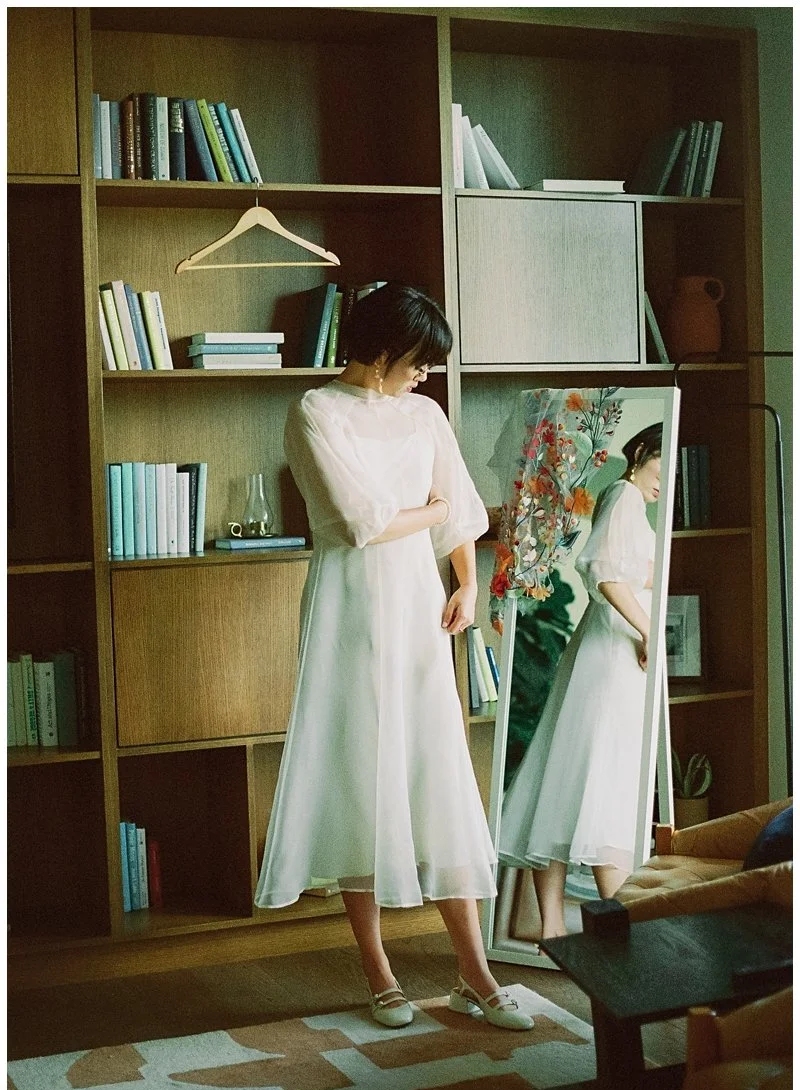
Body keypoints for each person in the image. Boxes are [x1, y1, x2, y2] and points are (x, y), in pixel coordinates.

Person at [255, 283, 533, 1031]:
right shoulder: (314, 410)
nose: (426, 375)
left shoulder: (425, 414)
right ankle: (380, 974)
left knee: (436, 772)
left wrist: (468, 586)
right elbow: (358, 523)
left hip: (418, 612)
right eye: (419, 361)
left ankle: (475, 974)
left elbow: (465, 512)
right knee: (359, 778)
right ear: (380, 353)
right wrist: (436, 508)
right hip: (349, 614)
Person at [498, 424, 662, 940]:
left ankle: (554, 930)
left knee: (572, 776)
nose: (668, 479)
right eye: (664, 464)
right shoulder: (624, 495)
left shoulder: (628, 501)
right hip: (609, 649)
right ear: (642, 455)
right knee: (597, 778)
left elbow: (628, 573)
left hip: (607, 647)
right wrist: (648, 629)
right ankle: (616, 928)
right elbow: (603, 572)